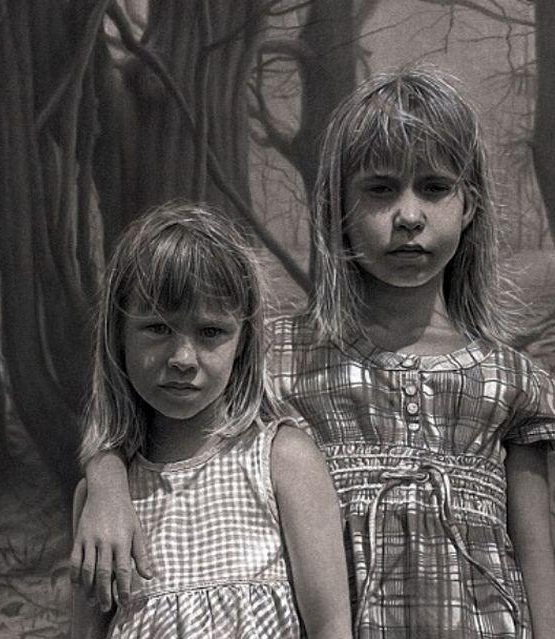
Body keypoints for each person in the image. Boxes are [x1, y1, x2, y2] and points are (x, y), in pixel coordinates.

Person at [71, 68, 555, 639]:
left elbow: (536, 555)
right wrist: (105, 481)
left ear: (469, 204)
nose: (409, 216)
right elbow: (157, 433)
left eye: (434, 187)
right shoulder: (280, 359)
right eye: (380, 189)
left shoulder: (509, 381)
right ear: (338, 207)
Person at [70, 203, 352, 639]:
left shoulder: (282, 461)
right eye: (158, 328)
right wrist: (104, 477)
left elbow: (331, 626)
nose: (183, 358)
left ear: (243, 343)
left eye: (210, 332)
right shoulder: (105, 497)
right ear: (118, 336)